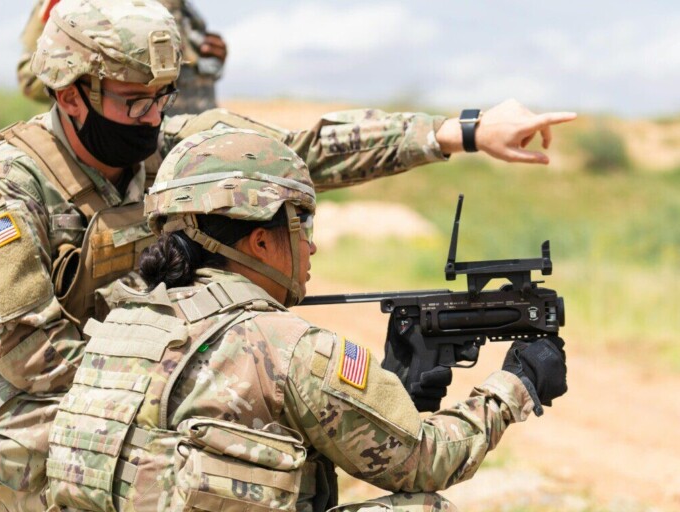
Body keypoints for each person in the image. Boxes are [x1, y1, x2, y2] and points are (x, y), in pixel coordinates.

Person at [0, 0, 575, 509]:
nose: (152, 118)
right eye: (132, 102)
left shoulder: (155, 148)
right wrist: (214, 385)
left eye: (160, 98)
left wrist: (462, 131)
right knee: (227, 471)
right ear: (71, 94)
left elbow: (296, 152)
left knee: (258, 450)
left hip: (110, 373)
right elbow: (33, 361)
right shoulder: (4, 191)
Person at [46, 128, 568, 512]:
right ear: (259, 240)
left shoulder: (123, 321)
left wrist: (403, 399)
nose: (311, 243)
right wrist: (515, 385)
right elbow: (426, 462)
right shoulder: (288, 347)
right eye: (302, 223)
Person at [17, 0, 228, 114]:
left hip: (189, 144)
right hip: (118, 150)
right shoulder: (77, 6)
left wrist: (209, 58)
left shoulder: (181, 7)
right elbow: (31, 78)